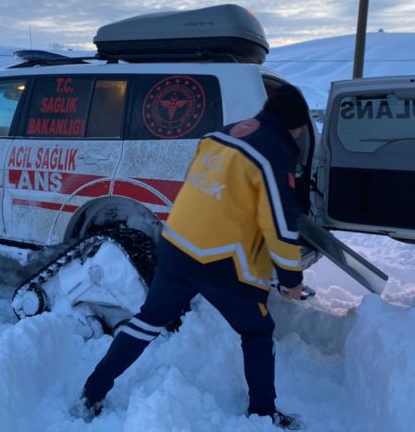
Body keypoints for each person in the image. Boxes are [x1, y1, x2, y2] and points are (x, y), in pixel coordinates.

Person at [78, 84, 310, 430]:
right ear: (295, 124)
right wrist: (291, 277)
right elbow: (279, 223)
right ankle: (264, 414)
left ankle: (92, 390)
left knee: (147, 321)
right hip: (223, 261)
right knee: (258, 331)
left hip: (177, 247)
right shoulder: (273, 152)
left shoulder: (221, 135)